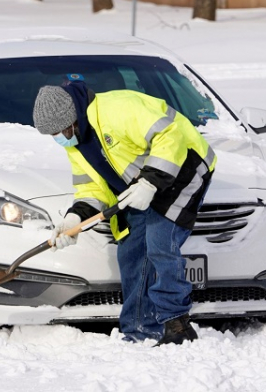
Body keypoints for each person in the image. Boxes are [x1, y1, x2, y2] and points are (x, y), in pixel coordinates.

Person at [32, 80, 215, 345]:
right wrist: (75, 220)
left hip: (184, 167)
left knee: (160, 243)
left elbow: (170, 135)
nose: (58, 138)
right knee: (131, 251)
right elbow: (91, 188)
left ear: (71, 118)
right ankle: (139, 327)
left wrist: (150, 182)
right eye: (52, 135)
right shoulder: (76, 143)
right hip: (140, 186)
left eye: (59, 131)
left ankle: (177, 325)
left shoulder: (119, 109)